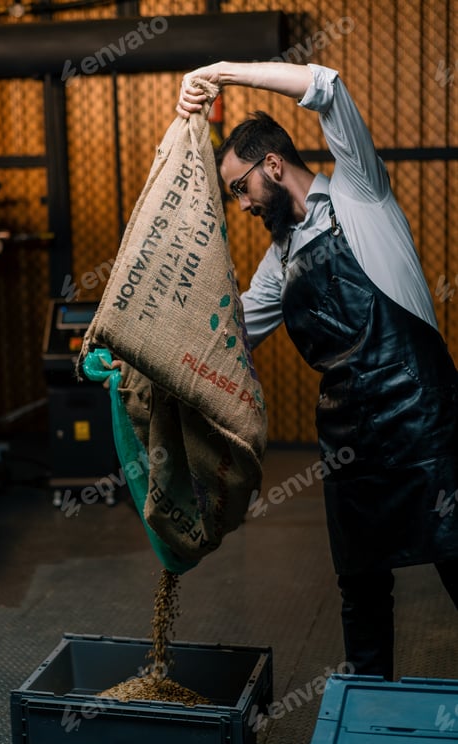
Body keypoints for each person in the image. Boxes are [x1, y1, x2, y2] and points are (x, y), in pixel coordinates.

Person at [176, 61, 458, 681]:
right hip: (351, 443)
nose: (243, 204)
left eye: (240, 188)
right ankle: (367, 706)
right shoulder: (279, 261)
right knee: (360, 590)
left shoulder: (361, 192)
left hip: (422, 425)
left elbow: (327, 87)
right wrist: (145, 352)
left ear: (272, 165)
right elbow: (233, 332)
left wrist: (224, 72)